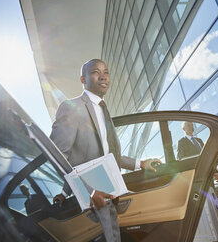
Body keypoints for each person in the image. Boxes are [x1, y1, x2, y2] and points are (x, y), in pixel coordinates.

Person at [50, 59, 158, 242]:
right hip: (94, 198)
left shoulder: (103, 110)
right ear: (82, 79)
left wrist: (140, 163)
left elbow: (109, 155)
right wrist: (86, 190)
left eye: (106, 72)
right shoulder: (72, 108)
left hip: (112, 191)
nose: (103, 76)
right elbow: (57, 156)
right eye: (95, 72)